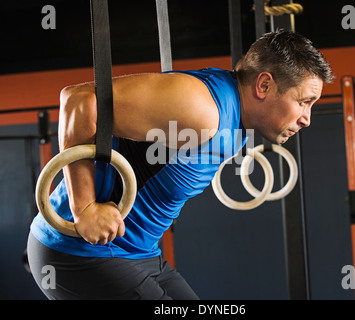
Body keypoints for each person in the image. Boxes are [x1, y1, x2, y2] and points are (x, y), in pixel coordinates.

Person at [27, 30, 333, 300]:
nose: (306, 118)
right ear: (264, 85)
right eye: (304, 102)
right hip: (80, 253)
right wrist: (85, 209)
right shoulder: (203, 111)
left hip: (139, 254)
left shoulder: (241, 122)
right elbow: (79, 100)